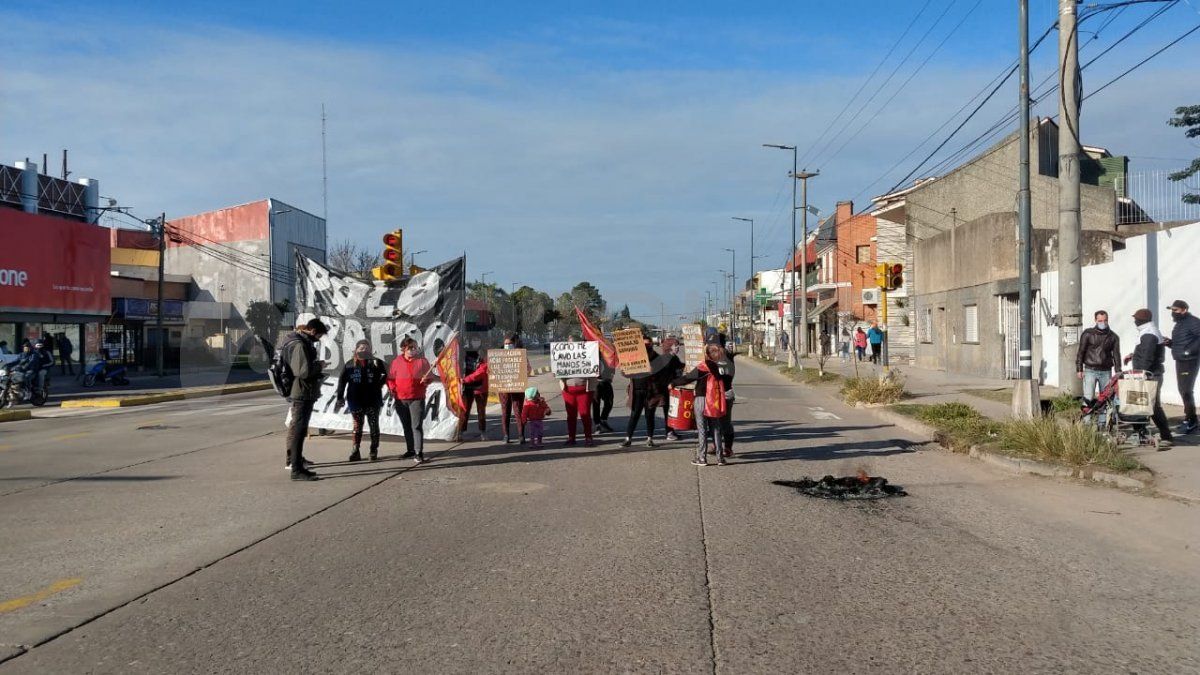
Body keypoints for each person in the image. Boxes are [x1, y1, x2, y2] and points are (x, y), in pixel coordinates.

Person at [279, 318, 329, 481]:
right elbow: (304, 372)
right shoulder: (299, 345)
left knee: (298, 429)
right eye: (319, 336)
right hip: (301, 392)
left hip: (302, 391)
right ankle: (296, 469)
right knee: (299, 430)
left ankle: (297, 463)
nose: (319, 339)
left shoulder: (297, 341)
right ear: (313, 331)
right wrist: (320, 366)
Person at [674, 342, 736, 466]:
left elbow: (688, 378)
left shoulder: (704, 366)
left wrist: (673, 383)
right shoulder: (724, 366)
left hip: (702, 400)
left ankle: (702, 458)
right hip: (715, 400)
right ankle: (720, 458)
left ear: (707, 354)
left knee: (702, 429)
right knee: (716, 428)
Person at [1125, 308, 1173, 447]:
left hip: (1150, 375)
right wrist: (1132, 355)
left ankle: (1166, 436)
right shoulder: (1149, 331)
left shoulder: (1149, 334)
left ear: (1141, 320)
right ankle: (1140, 432)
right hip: (1147, 373)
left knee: (1152, 405)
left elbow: (1148, 356)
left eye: (1136, 319)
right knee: (1139, 403)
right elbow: (1145, 352)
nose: (1135, 321)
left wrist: (1141, 374)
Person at [336, 339, 388, 462]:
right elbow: (342, 381)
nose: (364, 350)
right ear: (356, 349)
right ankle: (355, 450)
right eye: (361, 348)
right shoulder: (349, 364)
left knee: (374, 426)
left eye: (366, 348)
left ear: (370, 349)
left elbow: (387, 373)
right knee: (357, 426)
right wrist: (339, 397)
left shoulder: (376, 362)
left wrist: (379, 384)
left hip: (373, 399)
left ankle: (373, 450)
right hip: (355, 399)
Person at [387, 337, 435, 463]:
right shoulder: (396, 362)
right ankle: (410, 450)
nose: (413, 350)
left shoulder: (422, 361)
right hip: (400, 399)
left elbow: (430, 377)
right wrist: (392, 389)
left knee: (416, 426)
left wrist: (426, 380)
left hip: (417, 398)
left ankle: (419, 452)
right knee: (406, 426)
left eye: (415, 347)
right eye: (410, 348)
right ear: (403, 349)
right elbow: (391, 378)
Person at [1165, 300, 1200, 435]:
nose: (1174, 313)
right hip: (1180, 360)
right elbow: (1181, 342)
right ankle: (1188, 419)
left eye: (1176, 310)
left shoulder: (1193, 321)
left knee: (1186, 391)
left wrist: (1189, 351)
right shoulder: (1180, 324)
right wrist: (1169, 343)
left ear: (1184, 310)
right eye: (1172, 310)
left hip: (1189, 360)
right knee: (1182, 390)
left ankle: (1192, 421)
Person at [621, 336, 661, 448]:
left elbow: (662, 374)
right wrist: (624, 371)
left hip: (650, 392)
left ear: (652, 345)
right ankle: (628, 438)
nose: (646, 347)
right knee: (634, 415)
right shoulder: (634, 357)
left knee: (650, 415)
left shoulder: (656, 357)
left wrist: (653, 371)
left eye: (648, 344)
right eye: (644, 345)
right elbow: (627, 373)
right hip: (637, 391)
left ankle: (650, 439)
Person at [1076, 310, 1121, 405]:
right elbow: (1081, 352)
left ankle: (1102, 420)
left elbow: (1116, 355)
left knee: (1105, 398)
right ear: (1095, 320)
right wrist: (1079, 369)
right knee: (1088, 397)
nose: (1103, 323)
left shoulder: (1113, 337)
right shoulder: (1088, 334)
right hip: (1090, 370)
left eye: (1105, 320)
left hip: (1106, 371)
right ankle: (1086, 419)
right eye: (1100, 321)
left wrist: (1118, 372)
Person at [559, 339, 596, 447]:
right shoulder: (563, 355)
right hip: (568, 391)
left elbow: (597, 369)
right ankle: (571, 438)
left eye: (574, 343)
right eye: (569, 344)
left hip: (584, 390)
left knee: (585, 414)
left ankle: (588, 437)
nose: (572, 346)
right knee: (571, 415)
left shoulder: (589, 355)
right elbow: (556, 371)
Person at [497, 334, 527, 445]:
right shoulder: (497, 357)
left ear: (514, 344)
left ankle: (521, 435)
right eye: (506, 344)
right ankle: (506, 435)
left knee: (518, 412)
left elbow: (528, 370)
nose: (507, 345)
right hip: (504, 390)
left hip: (517, 388)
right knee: (505, 412)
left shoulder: (521, 355)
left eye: (510, 343)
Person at [654, 338, 686, 442]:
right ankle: (669, 432)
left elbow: (680, 367)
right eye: (675, 346)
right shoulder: (666, 358)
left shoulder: (673, 358)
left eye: (678, 346)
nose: (678, 348)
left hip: (671, 388)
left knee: (671, 410)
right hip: (666, 389)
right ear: (669, 347)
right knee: (669, 411)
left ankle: (671, 431)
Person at [459, 350, 489, 440]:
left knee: (481, 412)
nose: (475, 341)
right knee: (464, 411)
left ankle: (482, 432)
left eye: (477, 339)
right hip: (467, 388)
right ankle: (461, 432)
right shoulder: (464, 351)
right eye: (473, 339)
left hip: (480, 388)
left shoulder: (485, 354)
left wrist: (465, 379)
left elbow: (482, 371)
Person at [591, 357, 616, 433]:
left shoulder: (608, 351)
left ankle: (603, 419)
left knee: (609, 402)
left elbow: (612, 363)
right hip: (595, 381)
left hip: (606, 380)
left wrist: (611, 374)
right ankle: (597, 424)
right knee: (596, 403)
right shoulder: (592, 350)